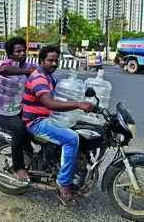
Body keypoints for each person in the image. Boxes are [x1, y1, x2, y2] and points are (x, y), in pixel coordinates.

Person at [22, 45, 94, 205]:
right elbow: (50, 103)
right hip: (35, 121)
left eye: (56, 60)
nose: (54, 63)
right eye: (50, 60)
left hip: (46, 117)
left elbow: (59, 100)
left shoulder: (48, 76)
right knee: (71, 139)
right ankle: (64, 183)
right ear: (41, 61)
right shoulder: (39, 78)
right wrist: (78, 104)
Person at [0, 37, 36, 181]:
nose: (22, 54)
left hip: (16, 109)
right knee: (19, 128)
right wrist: (25, 72)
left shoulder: (26, 65)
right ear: (10, 54)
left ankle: (31, 157)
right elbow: (4, 70)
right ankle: (18, 167)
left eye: (23, 51)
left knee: (34, 126)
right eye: (18, 51)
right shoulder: (5, 64)